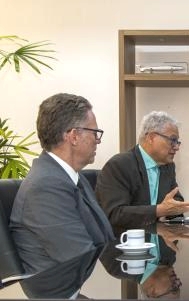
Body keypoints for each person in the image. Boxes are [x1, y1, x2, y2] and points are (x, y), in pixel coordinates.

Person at [10, 93, 114, 274]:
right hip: (62, 290)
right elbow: (80, 257)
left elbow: (104, 239)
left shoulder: (72, 177)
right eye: (95, 133)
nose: (98, 140)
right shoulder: (45, 188)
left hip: (87, 282)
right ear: (74, 136)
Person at [96, 111, 189, 228]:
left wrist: (173, 208)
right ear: (151, 138)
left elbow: (175, 199)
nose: (177, 147)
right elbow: (115, 214)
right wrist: (159, 210)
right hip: (125, 237)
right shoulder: (119, 165)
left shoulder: (167, 166)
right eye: (172, 140)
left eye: (177, 142)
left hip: (157, 234)